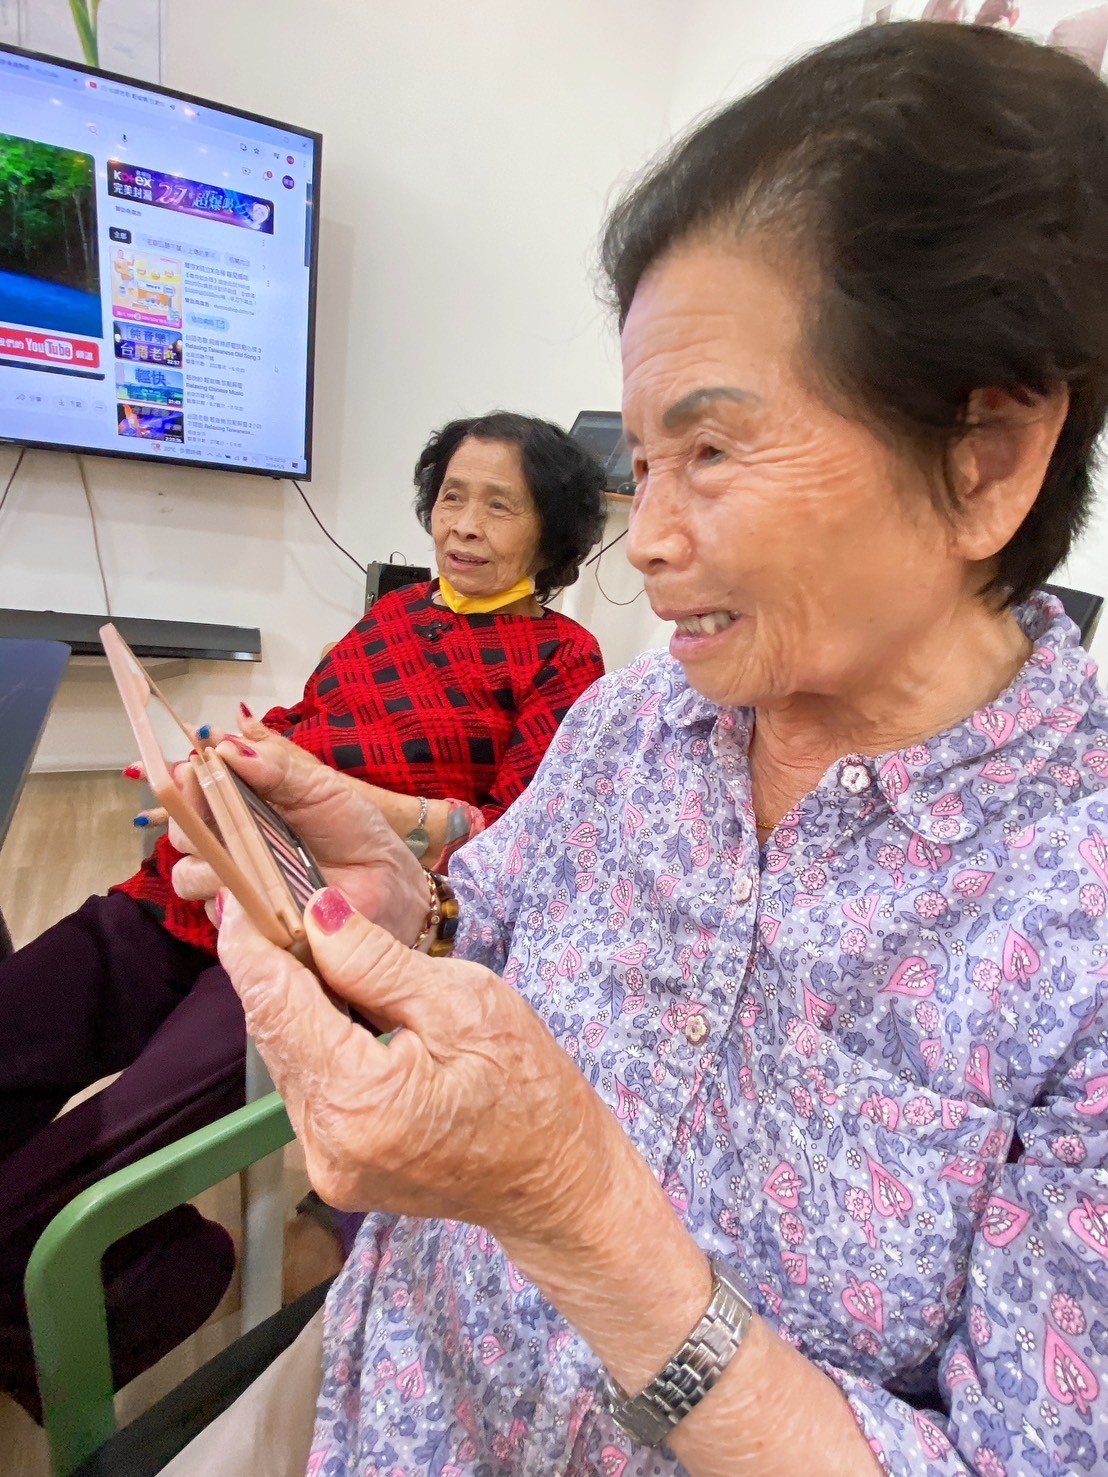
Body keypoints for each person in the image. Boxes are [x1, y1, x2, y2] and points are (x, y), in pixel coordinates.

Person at [174, 21, 1108, 1477]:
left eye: (713, 452)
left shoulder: (1077, 905)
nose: (650, 542)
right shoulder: (636, 719)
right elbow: (493, 914)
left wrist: (571, 1208)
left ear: (984, 457)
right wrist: (406, 890)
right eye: (644, 465)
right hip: (385, 1407)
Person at [0, 411, 606, 1420]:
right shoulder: (394, 614)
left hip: (316, 936)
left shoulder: (563, 659)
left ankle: (168, 1280)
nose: (462, 523)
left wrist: (348, 801)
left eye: (499, 505)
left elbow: (517, 839)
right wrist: (222, 765)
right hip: (203, 880)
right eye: (452, 496)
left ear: (552, 531)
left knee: (57, 1198)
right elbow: (304, 720)